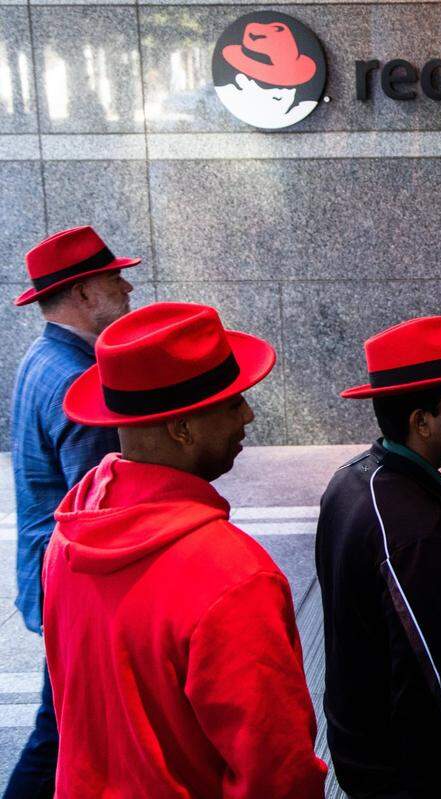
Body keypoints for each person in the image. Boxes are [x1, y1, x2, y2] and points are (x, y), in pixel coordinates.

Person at [42, 302, 327, 798]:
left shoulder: (71, 532)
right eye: (233, 401)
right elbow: (276, 772)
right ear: (182, 429)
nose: (249, 414)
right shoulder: (233, 577)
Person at [315, 316, 441, 798]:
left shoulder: (351, 478)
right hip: (404, 768)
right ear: (421, 422)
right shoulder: (416, 531)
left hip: (356, 740)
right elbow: (434, 676)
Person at [5, 225, 137, 799]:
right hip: (73, 587)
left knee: (64, 722)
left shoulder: (42, 357)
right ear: (85, 294)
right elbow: (98, 507)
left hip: (48, 574)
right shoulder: (81, 381)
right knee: (58, 730)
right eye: (114, 279)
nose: (128, 286)